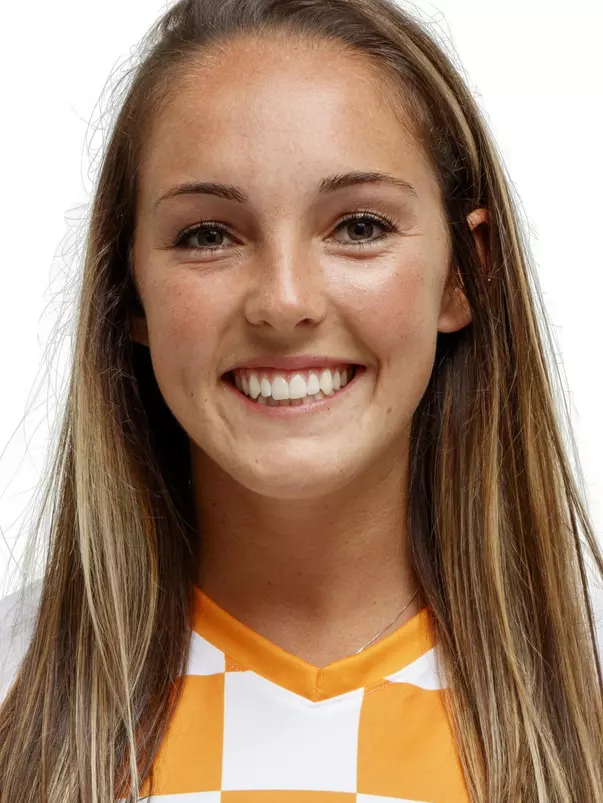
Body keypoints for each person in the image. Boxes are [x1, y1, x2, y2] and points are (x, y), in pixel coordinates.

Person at [1, 0, 602, 800]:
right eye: (208, 234)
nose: (284, 302)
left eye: (358, 226)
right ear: (130, 290)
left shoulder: (589, 681)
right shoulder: (11, 683)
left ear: (464, 272)